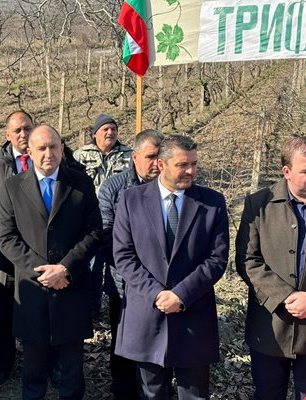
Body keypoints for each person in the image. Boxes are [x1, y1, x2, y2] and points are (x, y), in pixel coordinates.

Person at [113, 134, 229, 399]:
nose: (191, 171)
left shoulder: (212, 203)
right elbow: (124, 256)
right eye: (182, 165)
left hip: (193, 313)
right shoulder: (131, 200)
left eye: (194, 164)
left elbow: (217, 259)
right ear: (162, 165)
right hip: (146, 313)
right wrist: (156, 294)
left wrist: (181, 295)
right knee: (151, 392)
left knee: (194, 393)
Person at [0, 124, 103, 400]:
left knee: (71, 366)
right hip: (33, 290)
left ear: (62, 148)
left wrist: (65, 268)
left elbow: (93, 231)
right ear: (29, 151)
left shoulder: (80, 183)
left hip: (71, 285)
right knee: (34, 365)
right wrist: (43, 272)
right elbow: (7, 238)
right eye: (41, 148)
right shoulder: (12, 188)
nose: (49, 153)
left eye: (54, 146)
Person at [236, 136, 306, 400]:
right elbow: (247, 260)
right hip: (270, 325)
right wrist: (286, 297)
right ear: (286, 171)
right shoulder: (259, 204)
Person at [98, 128, 164, 400]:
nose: (156, 163)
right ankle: (123, 389)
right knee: (124, 339)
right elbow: (107, 235)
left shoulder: (167, 188)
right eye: (150, 157)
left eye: (160, 157)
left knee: (160, 339)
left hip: (163, 283)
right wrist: (135, 270)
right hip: (123, 282)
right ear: (134, 157)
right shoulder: (114, 188)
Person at [0, 110, 34, 385]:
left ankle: (45, 364)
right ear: (8, 135)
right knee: (5, 311)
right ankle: (3, 363)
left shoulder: (46, 157)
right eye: (18, 131)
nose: (24, 135)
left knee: (41, 311)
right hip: (6, 254)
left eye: (27, 128)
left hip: (39, 252)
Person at [73, 114, 132, 318]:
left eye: (113, 128)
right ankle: (92, 310)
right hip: (90, 223)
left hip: (120, 224)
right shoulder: (80, 156)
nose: (110, 132)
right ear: (95, 133)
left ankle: (121, 309)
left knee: (119, 268)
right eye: (105, 129)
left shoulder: (129, 155)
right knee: (92, 269)